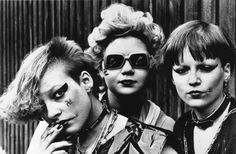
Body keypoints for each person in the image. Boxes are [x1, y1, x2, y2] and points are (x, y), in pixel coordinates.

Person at [0, 37, 180, 154]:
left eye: (59, 94)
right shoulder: (49, 143)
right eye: (42, 107)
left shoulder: (149, 144)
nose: (52, 112)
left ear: (85, 81)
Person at [86, 3, 174, 130]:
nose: (127, 70)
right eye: (115, 61)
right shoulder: (84, 119)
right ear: (100, 68)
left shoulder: (164, 126)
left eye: (138, 60)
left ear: (150, 64)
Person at [160, 20, 236, 154]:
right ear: (172, 77)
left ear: (226, 71)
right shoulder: (180, 127)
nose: (193, 80)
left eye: (206, 68)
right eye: (182, 70)